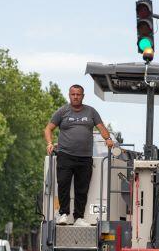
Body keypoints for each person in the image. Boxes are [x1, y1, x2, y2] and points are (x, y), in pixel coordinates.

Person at [44, 84, 113, 226]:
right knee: (63, 185)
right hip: (65, 155)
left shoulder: (91, 112)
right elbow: (48, 129)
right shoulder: (62, 111)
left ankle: (79, 218)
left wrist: (108, 139)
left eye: (78, 94)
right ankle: (63, 214)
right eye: (73, 94)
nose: (76, 97)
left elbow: (101, 127)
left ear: (83, 96)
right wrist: (50, 143)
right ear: (69, 95)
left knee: (82, 188)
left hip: (84, 157)